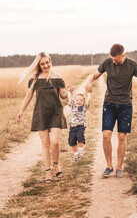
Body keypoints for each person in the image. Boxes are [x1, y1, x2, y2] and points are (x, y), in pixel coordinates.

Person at [86, 44, 137, 178]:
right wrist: (89, 82)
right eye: (113, 59)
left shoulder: (132, 65)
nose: (114, 62)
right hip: (109, 104)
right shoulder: (107, 63)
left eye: (117, 59)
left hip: (125, 105)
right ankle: (109, 166)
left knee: (122, 136)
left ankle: (119, 167)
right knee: (106, 135)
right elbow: (94, 75)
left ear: (123, 55)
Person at [17, 52, 69, 183]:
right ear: (39, 65)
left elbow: (62, 95)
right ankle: (48, 173)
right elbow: (29, 96)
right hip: (41, 113)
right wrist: (21, 111)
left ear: (50, 61)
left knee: (55, 142)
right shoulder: (35, 78)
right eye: (43, 64)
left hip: (56, 112)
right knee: (45, 143)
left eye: (47, 62)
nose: (46, 65)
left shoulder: (57, 77)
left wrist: (68, 92)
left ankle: (56, 165)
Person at [67, 88, 92, 162]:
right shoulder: (72, 106)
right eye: (77, 100)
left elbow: (88, 101)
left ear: (83, 102)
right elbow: (69, 98)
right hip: (72, 127)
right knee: (72, 141)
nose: (79, 102)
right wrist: (69, 91)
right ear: (74, 101)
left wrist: (89, 93)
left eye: (81, 100)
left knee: (80, 136)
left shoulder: (84, 107)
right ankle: (76, 153)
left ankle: (81, 150)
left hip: (80, 126)